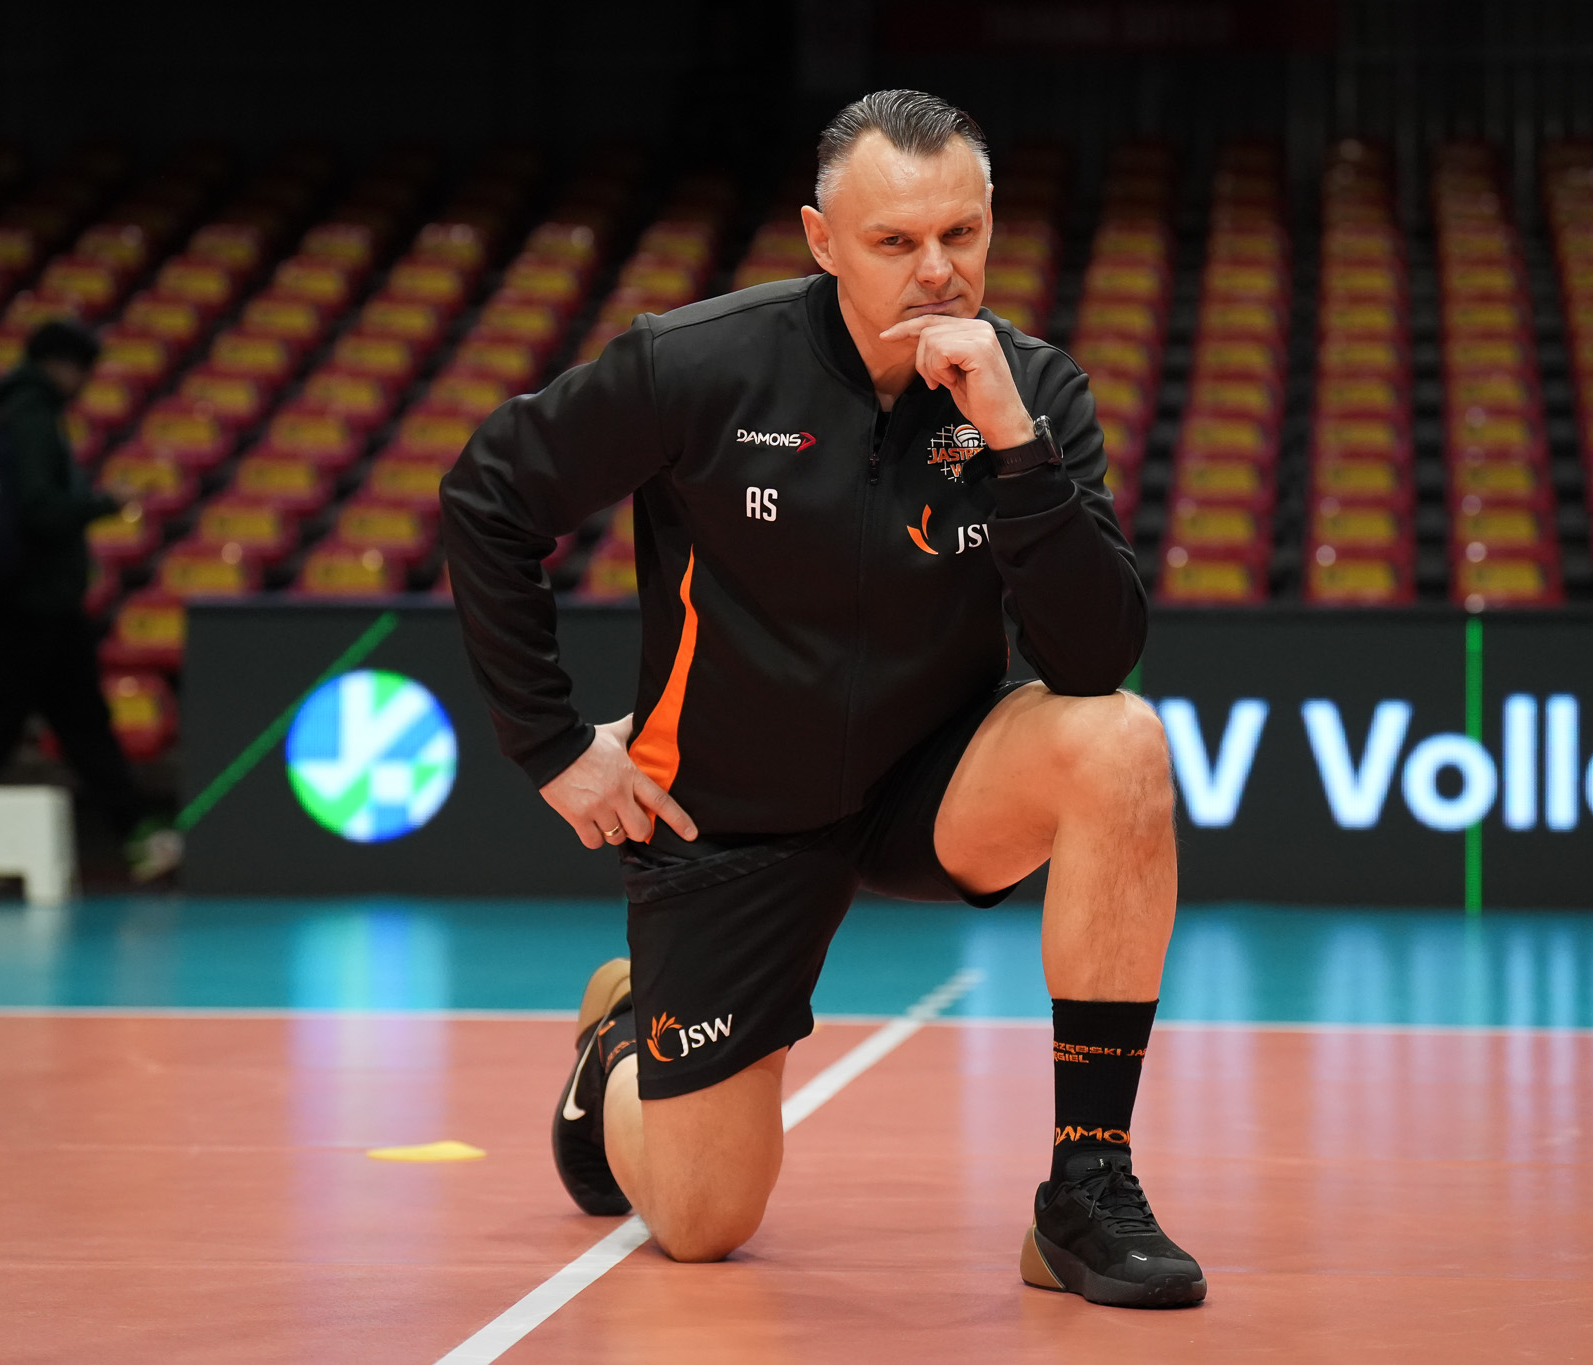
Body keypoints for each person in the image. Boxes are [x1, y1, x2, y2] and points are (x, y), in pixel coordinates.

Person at [442, 90, 1201, 1309]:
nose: (935, 272)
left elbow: (1094, 656)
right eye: (895, 241)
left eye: (959, 235)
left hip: (928, 783)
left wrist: (1014, 447)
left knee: (1119, 742)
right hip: (729, 818)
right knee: (702, 1223)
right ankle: (620, 1042)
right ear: (821, 240)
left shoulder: (1031, 392)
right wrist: (548, 743)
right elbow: (488, 498)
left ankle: (1085, 1185)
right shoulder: (697, 365)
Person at [0, 319, 182, 882]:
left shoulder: (22, 415)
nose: (86, 382)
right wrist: (104, 503)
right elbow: (40, 511)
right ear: (61, 365)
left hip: (41, 603)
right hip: (31, 603)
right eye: (83, 369)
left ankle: (137, 835)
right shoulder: (32, 421)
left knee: (78, 721)